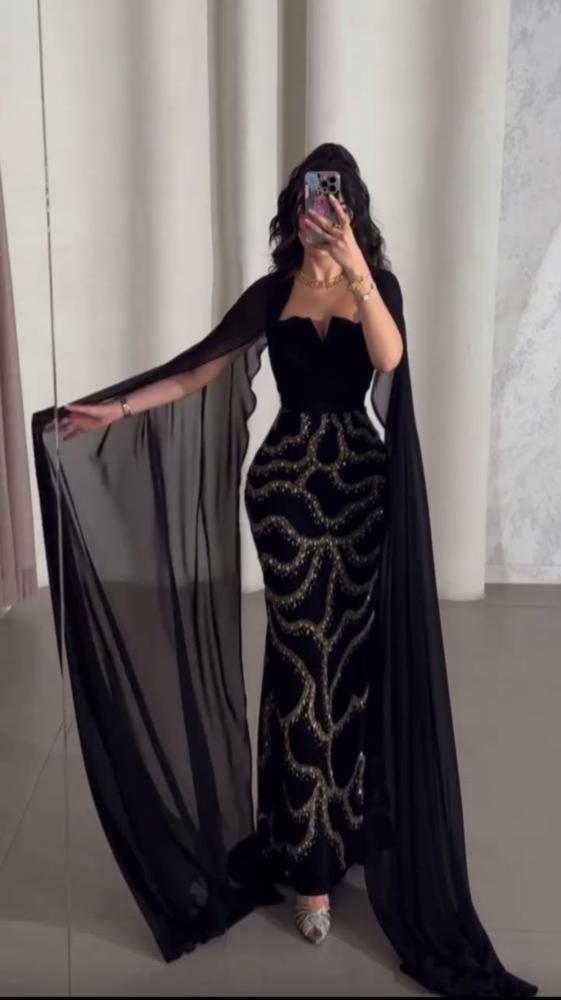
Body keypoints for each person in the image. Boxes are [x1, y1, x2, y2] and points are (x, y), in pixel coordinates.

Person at [32, 143, 537, 997]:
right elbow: (197, 371)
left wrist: (356, 269)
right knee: (303, 663)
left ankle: (343, 827)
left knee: (348, 667)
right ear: (293, 208)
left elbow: (389, 362)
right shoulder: (271, 294)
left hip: (361, 493)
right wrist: (111, 409)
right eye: (308, 198)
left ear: (351, 207)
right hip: (285, 495)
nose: (318, 211)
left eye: (332, 199)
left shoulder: (376, 284)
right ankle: (306, 868)